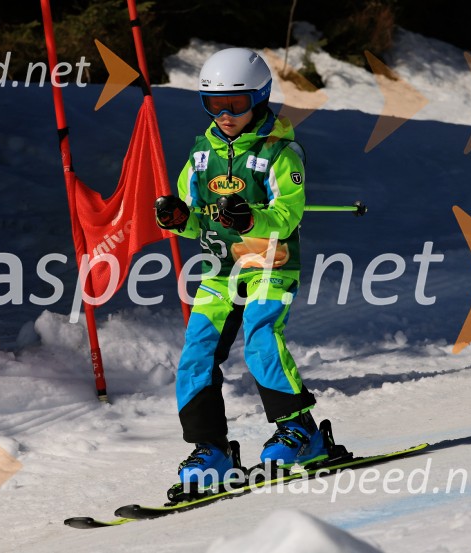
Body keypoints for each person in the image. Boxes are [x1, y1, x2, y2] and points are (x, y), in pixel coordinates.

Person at [154, 48, 328, 491]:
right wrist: (179, 219)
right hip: (219, 269)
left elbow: (288, 217)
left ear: (261, 97)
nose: (225, 114)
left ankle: (302, 431)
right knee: (197, 353)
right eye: (214, 105)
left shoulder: (281, 153)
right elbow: (195, 219)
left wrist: (250, 220)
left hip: (271, 265)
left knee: (261, 339)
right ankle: (211, 449)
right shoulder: (199, 157)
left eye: (236, 104)